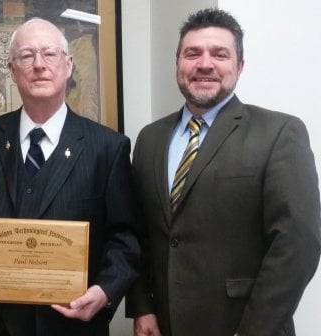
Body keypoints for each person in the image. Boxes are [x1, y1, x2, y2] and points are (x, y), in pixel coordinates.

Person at [125, 7, 321, 336]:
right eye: (192, 53)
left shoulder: (278, 132)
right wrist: (142, 308)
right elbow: (139, 231)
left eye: (220, 54)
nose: (205, 64)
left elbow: (298, 242)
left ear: (239, 66)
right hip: (164, 326)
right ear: (178, 64)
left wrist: (254, 330)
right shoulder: (150, 139)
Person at [0, 18, 140, 336]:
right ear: (10, 69)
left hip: (71, 323)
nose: (39, 65)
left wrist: (105, 291)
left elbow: (126, 238)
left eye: (49, 54)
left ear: (68, 64)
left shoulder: (108, 147)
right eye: (26, 55)